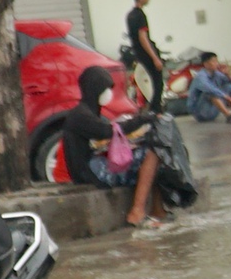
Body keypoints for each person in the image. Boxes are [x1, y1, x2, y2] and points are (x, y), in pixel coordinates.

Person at [58, 64, 177, 227]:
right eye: (106, 89)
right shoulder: (80, 115)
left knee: (156, 158)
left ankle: (157, 210)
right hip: (89, 172)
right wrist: (143, 119)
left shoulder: (88, 111)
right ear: (95, 89)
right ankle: (137, 212)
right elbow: (107, 132)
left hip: (93, 164)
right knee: (153, 153)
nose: (109, 93)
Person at [185, 52, 231, 122]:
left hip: (212, 111)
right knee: (210, 93)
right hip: (200, 112)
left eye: (217, 61)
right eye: (214, 61)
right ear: (206, 64)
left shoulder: (217, 74)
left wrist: (228, 75)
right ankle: (229, 116)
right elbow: (209, 88)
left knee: (229, 87)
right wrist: (225, 96)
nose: (217, 63)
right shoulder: (200, 76)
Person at [126, 0, 166, 108]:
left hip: (138, 53)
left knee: (154, 83)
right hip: (146, 53)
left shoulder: (130, 15)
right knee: (158, 84)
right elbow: (143, 38)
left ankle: (155, 110)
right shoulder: (140, 15)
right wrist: (155, 58)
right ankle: (156, 111)